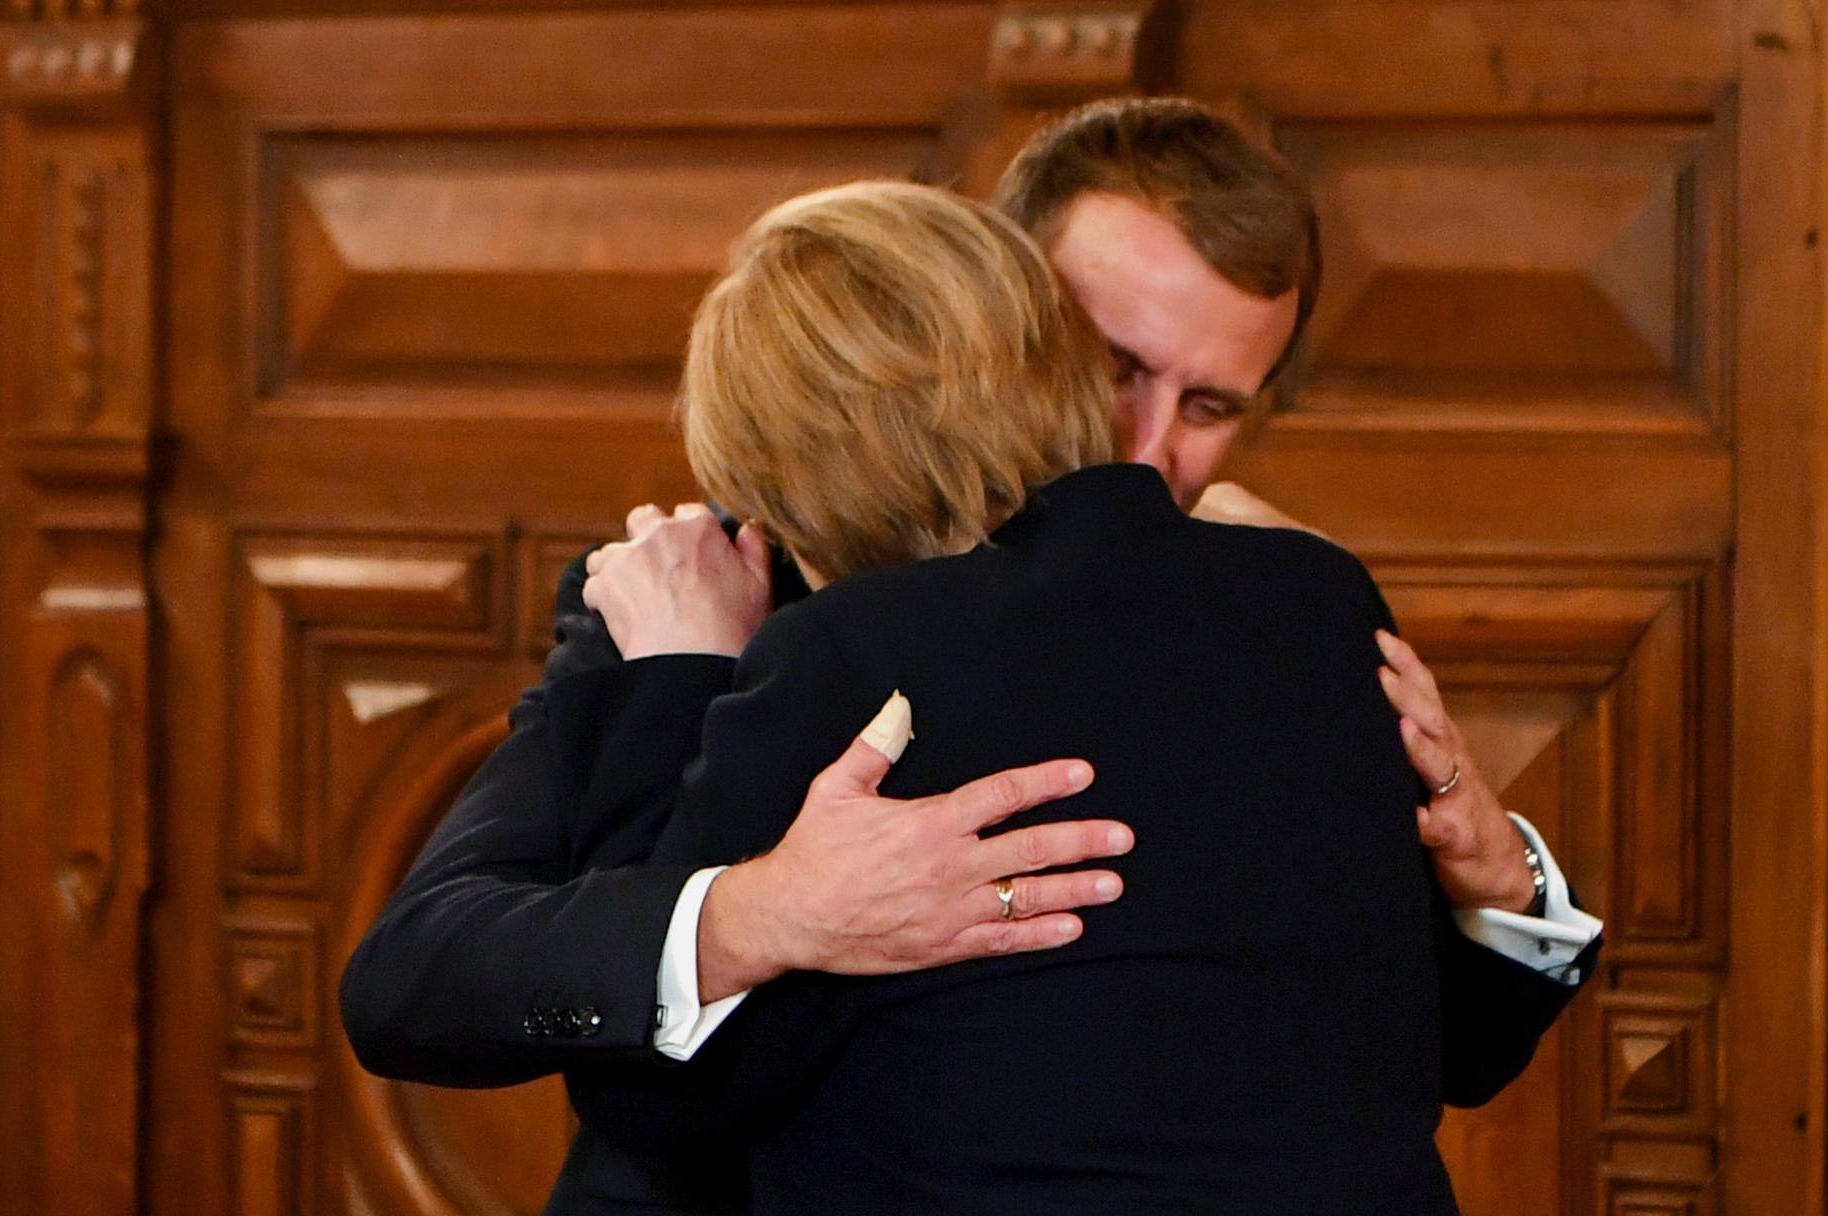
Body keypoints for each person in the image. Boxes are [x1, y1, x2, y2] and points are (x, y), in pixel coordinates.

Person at [339, 98, 1602, 1215]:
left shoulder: (1286, 605)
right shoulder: (682, 591)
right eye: (1113, 366)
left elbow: (1402, 1041)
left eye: (1211, 405)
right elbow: (428, 978)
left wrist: (1502, 877)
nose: (1150, 444)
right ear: (998, 302)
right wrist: (750, 901)